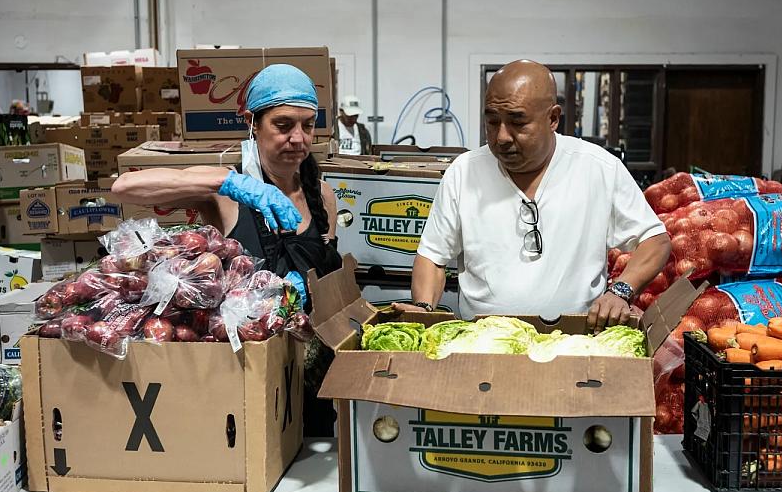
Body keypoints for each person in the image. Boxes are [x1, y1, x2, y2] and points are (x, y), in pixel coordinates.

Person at [112, 63, 342, 435]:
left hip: (312, 375)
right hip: (247, 375)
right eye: (283, 125)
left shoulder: (323, 195)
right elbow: (125, 188)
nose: (298, 138)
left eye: (308, 125)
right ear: (253, 124)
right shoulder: (226, 195)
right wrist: (231, 183)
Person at [392, 60, 671, 331]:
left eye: (518, 122)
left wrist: (621, 291)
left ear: (553, 118)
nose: (501, 137)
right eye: (492, 121)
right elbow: (432, 256)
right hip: (483, 341)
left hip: (575, 341)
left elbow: (655, 240)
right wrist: (424, 309)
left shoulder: (598, 168)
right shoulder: (464, 172)